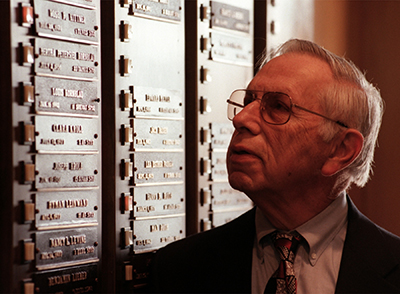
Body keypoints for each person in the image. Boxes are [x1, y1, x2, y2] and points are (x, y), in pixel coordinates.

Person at [149, 39, 400, 293]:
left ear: (340, 150)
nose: (241, 118)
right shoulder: (180, 268)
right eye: (248, 101)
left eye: (278, 106)